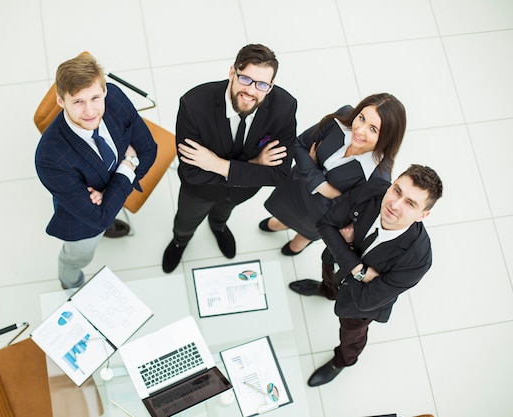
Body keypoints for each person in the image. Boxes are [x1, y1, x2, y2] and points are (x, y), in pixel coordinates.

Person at [293, 164, 443, 387]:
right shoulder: (374, 190)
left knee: (352, 336)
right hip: (334, 264)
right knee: (329, 281)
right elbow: (324, 224)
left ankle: (342, 361)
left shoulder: (418, 258)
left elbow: (367, 299)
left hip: (359, 308)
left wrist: (345, 245)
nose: (394, 204)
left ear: (423, 214)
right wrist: (359, 269)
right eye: (397, 191)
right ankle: (325, 290)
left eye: (410, 203)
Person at [162, 44, 298, 273]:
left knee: (223, 213)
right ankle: (180, 241)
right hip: (199, 190)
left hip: (241, 190)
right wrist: (255, 167)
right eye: (245, 79)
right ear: (232, 72)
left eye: (262, 85)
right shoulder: (194, 105)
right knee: (185, 222)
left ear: (271, 86)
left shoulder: (284, 107)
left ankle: (218, 227)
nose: (251, 91)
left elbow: (279, 174)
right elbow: (191, 172)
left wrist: (217, 164)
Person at [35, 53, 157, 289]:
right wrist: (128, 164)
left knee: (109, 209)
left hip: (103, 194)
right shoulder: (49, 158)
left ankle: (112, 206)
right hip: (83, 224)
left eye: (95, 98)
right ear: (61, 102)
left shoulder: (116, 99)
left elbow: (149, 151)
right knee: (77, 258)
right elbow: (97, 218)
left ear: (104, 92)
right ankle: (70, 284)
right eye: (78, 101)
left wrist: (109, 195)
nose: (90, 111)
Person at [258, 93, 406, 255]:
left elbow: (349, 211)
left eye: (373, 129)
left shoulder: (378, 176)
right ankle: (283, 223)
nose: (359, 130)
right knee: (282, 214)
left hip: (320, 214)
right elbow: (299, 144)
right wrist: (325, 187)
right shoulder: (343, 117)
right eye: (361, 118)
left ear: (386, 138)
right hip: (296, 188)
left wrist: (311, 164)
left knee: (304, 235)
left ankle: (302, 240)